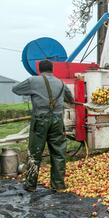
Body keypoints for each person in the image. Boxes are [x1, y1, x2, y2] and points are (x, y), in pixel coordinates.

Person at [12, 60, 74, 192]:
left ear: (39, 70)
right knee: (58, 152)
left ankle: (30, 185)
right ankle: (58, 185)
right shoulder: (61, 83)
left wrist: (33, 92)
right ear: (52, 69)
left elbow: (15, 89)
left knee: (35, 152)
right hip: (57, 121)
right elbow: (71, 99)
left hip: (40, 120)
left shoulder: (33, 81)